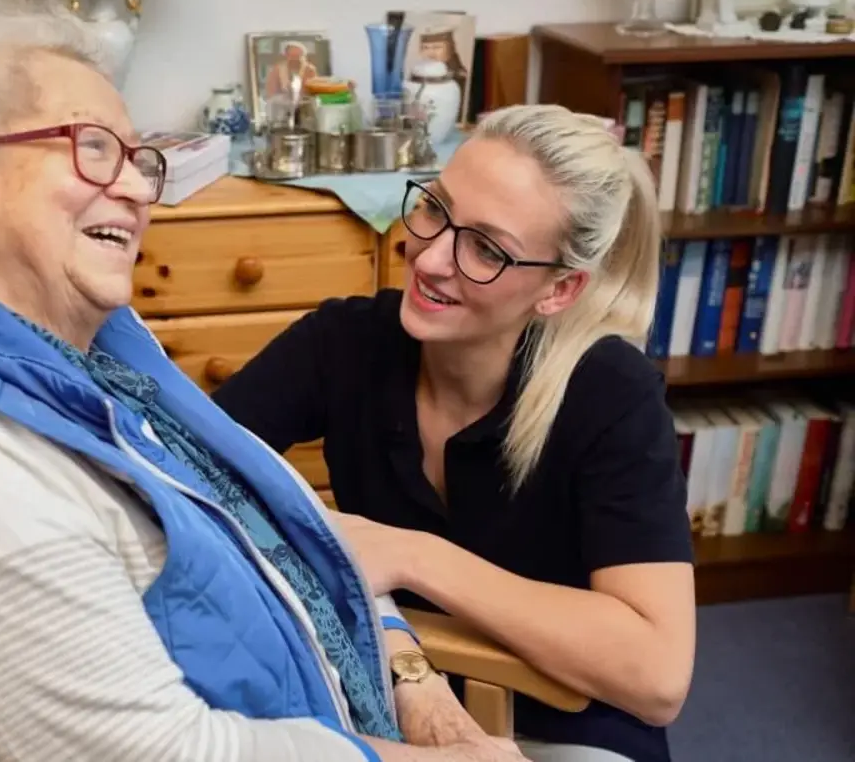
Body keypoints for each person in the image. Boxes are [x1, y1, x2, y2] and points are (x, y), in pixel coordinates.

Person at [0, 6, 529, 762]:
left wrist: (413, 675)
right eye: (93, 148)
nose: (136, 188)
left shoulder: (105, 354)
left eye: (138, 159)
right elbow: (161, 753)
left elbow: (283, 532)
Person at [213, 104, 696, 762]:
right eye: (436, 209)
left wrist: (415, 557)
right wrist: (405, 656)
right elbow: (190, 474)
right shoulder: (343, 342)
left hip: (565, 721)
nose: (431, 257)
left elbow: (658, 676)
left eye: (487, 249)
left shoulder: (611, 391)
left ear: (560, 289)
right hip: (382, 702)